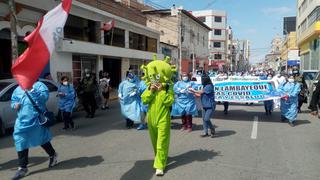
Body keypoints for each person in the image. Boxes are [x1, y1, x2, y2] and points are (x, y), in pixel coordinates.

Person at [11, 81, 58, 180]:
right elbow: (13, 101)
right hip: (22, 122)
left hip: (36, 120)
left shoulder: (39, 85)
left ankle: (53, 154)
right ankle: (22, 168)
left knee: (42, 140)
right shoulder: (17, 88)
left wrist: (32, 89)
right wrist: (15, 105)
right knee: (20, 141)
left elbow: (44, 98)